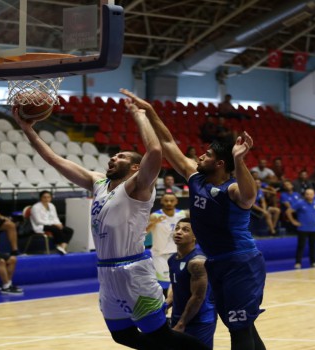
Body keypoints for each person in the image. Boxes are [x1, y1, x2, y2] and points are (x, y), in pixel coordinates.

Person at [15, 96, 209, 349]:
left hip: (133, 271)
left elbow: (156, 152)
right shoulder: (98, 183)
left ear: (134, 167)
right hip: (106, 271)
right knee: (122, 336)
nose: (112, 158)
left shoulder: (138, 186)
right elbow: (55, 160)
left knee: (160, 335)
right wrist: (27, 128)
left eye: (119, 156)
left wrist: (139, 114)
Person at [122, 88, 266, 350]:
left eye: (208, 155)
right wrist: (150, 111)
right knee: (243, 324)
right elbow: (167, 145)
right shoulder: (196, 177)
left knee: (239, 329)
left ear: (221, 164)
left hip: (240, 262)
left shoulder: (231, 189)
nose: (200, 156)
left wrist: (239, 159)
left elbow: (249, 196)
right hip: (216, 263)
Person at [166, 218, 216, 348]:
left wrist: (182, 323)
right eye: (177, 228)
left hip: (200, 320)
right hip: (178, 316)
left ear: (195, 236)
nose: (179, 232)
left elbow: (198, 297)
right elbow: (175, 287)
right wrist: (164, 306)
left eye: (185, 230)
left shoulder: (197, 262)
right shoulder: (172, 259)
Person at [146, 193, 187, 295]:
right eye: (166, 200)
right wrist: (153, 222)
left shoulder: (182, 214)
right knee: (163, 283)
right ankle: (163, 307)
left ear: (176, 201)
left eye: (171, 200)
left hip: (178, 254)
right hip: (160, 255)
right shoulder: (155, 215)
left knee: (179, 281)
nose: (169, 203)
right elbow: (144, 232)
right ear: (161, 201)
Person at [286, 189, 315, 269]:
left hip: (314, 228)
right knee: (301, 246)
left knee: (313, 246)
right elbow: (289, 211)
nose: (309, 196)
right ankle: (298, 263)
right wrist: (293, 221)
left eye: (310, 194)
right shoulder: (300, 203)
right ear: (305, 195)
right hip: (303, 228)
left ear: (314, 195)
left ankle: (313, 262)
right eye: (307, 194)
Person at [30, 191, 73, 255]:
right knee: (55, 228)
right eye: (44, 197)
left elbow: (55, 217)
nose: (46, 199)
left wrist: (59, 224)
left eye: (48, 197)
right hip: (40, 226)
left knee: (69, 230)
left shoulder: (52, 205)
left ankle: (62, 247)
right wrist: (54, 224)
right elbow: (38, 221)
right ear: (41, 198)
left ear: (51, 198)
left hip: (53, 224)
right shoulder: (35, 207)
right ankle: (58, 246)